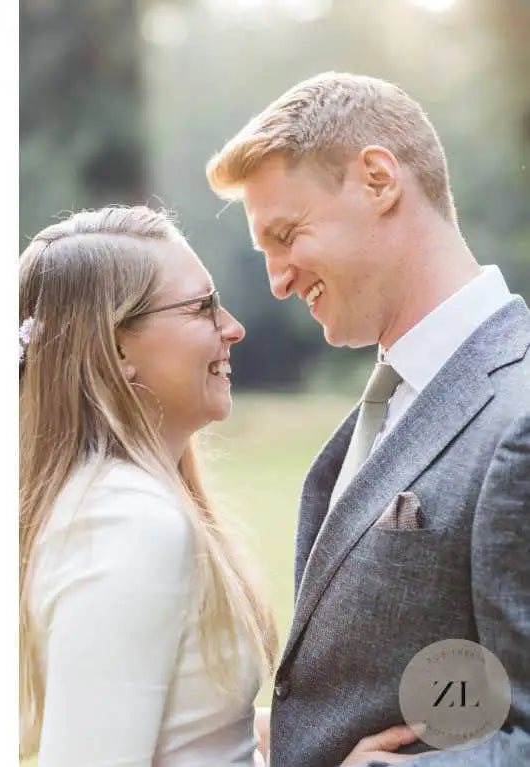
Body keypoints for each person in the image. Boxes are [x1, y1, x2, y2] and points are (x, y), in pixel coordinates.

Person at [207, 71, 530, 765]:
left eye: (287, 234)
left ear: (379, 180)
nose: (277, 280)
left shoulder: (520, 413)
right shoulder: (391, 395)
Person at [17, 206, 409, 766]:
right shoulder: (127, 524)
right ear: (117, 349)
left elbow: (180, 729)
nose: (233, 327)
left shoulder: (125, 504)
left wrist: (303, 735)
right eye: (202, 308)